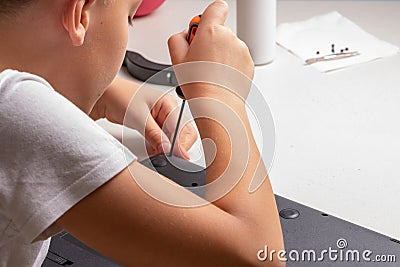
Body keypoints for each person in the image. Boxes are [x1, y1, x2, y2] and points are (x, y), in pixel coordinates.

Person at [0, 0, 285, 266]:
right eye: (129, 18)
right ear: (81, 13)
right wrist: (221, 95)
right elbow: (259, 256)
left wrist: (100, 95)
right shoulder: (15, 111)